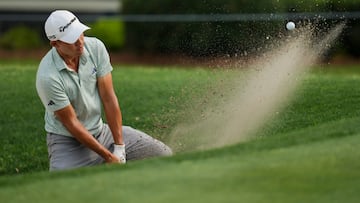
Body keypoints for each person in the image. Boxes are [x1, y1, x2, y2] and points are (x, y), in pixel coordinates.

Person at [36, 10, 172, 171]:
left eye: (80, 33)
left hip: (101, 132)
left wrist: (119, 147)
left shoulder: (95, 47)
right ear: (55, 43)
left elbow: (108, 97)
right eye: (72, 39)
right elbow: (72, 123)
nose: (80, 42)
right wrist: (108, 156)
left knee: (162, 153)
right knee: (63, 185)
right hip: (68, 142)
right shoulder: (48, 77)